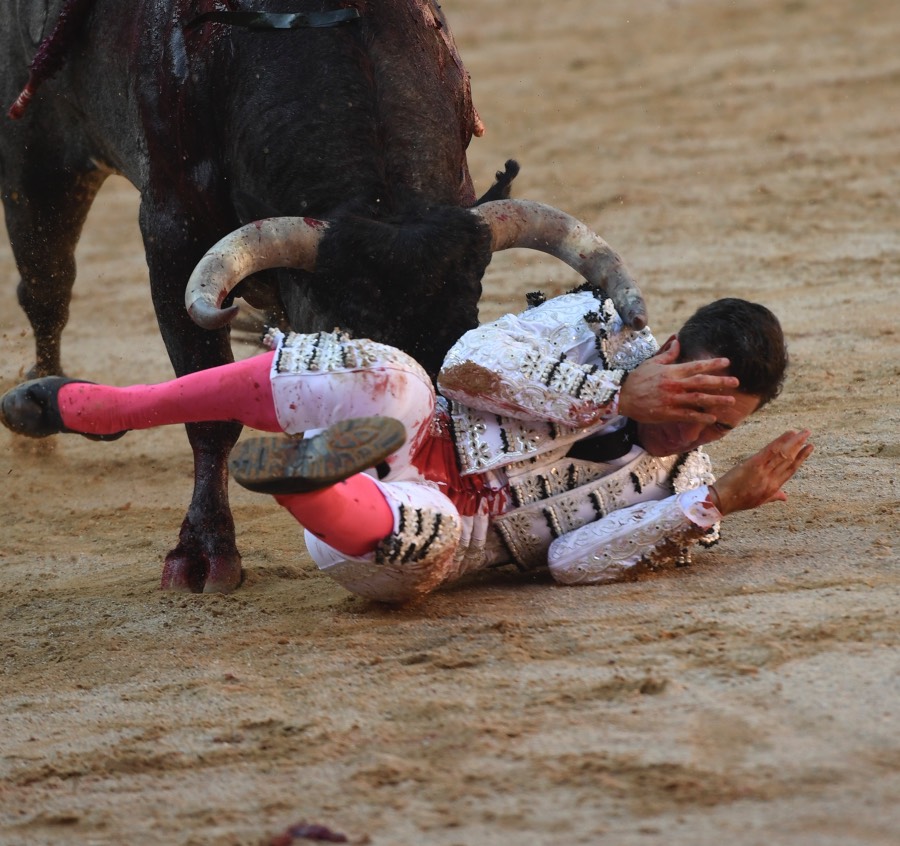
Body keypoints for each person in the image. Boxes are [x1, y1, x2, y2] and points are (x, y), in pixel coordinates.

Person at [1, 285, 813, 602]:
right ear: (668, 350)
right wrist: (609, 391)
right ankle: (111, 405)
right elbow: (465, 363)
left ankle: (302, 480)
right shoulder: (592, 331)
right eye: (694, 405)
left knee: (432, 526)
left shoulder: (688, 493)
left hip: (431, 536)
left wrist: (714, 500)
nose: (693, 435)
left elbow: (573, 561)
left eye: (719, 429)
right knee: (397, 376)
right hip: (423, 429)